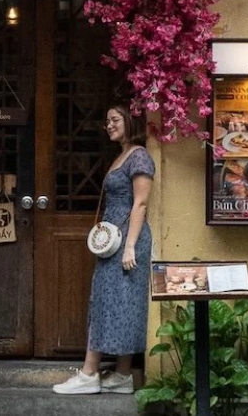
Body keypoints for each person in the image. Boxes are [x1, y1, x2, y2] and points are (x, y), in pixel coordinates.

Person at [53, 106, 154, 395]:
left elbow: (141, 203)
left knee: (119, 301)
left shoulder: (140, 156)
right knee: (113, 301)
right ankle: (122, 374)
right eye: (107, 121)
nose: (109, 125)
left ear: (130, 121)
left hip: (127, 239)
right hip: (116, 238)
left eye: (115, 120)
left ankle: (89, 374)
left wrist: (130, 246)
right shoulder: (124, 155)